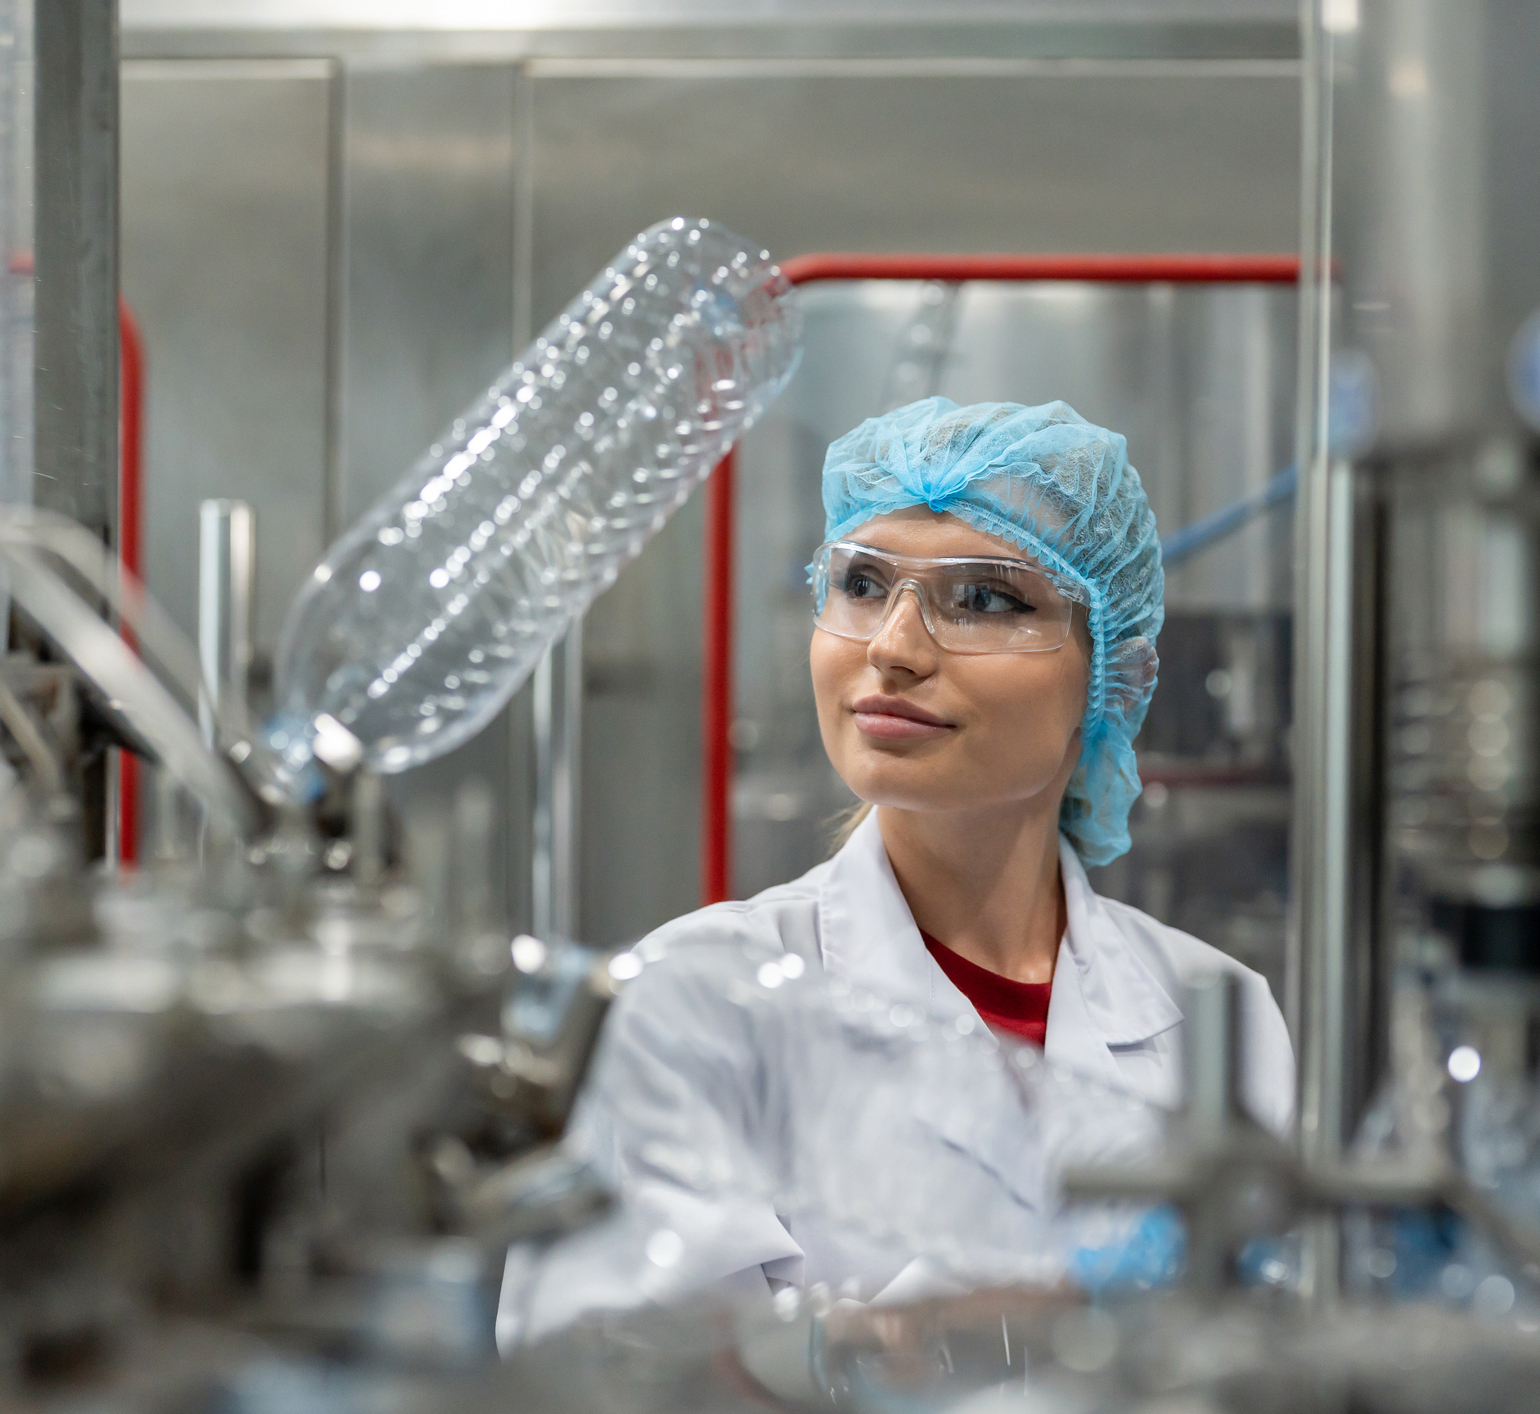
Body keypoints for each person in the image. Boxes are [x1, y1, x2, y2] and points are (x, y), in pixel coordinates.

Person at [496, 397, 1293, 1347]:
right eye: (863, 583)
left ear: (1110, 671)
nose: (893, 648)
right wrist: (905, 1345)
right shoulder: (697, 1002)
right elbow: (590, 1373)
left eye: (987, 598)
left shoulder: (1214, 1013)